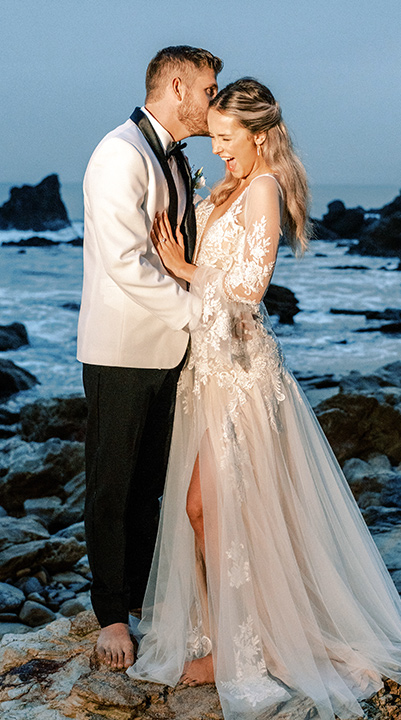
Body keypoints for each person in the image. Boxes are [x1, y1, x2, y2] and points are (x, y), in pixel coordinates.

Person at [127, 78, 401, 719]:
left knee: (217, 511)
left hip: (243, 380)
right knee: (200, 510)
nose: (216, 149)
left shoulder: (266, 189)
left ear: (258, 135)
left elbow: (247, 293)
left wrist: (184, 269)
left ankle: (245, 649)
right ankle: (231, 633)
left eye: (224, 138)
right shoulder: (235, 185)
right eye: (212, 137)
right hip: (212, 374)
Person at [77, 45, 223, 671]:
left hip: (169, 350)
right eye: (208, 90)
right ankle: (112, 613)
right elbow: (125, 262)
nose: (213, 103)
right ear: (175, 83)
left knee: (150, 488)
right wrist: (199, 318)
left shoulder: (171, 157)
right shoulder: (120, 153)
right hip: (125, 350)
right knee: (113, 484)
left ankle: (138, 596)